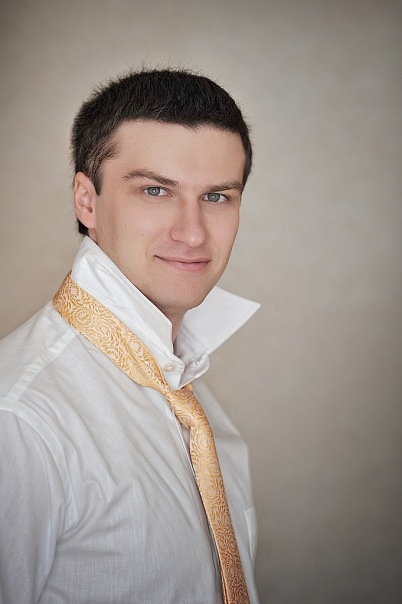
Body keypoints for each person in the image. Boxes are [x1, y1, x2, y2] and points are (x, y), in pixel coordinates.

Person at [0, 68, 260, 604]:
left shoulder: (192, 394)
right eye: (155, 190)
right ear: (86, 201)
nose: (192, 232)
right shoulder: (19, 420)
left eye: (216, 197)